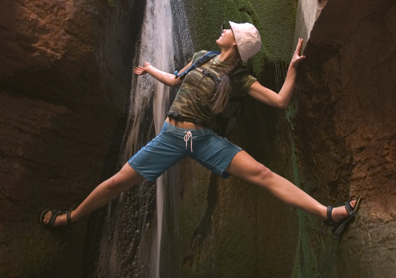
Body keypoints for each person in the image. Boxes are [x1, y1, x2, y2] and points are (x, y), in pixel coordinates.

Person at [40, 22, 360, 236]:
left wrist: (291, 70)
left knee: (263, 173)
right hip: (171, 136)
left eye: (228, 29)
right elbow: (175, 80)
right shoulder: (201, 56)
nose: (222, 30)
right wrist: (151, 69)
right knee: (116, 182)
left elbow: (279, 101)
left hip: (201, 139)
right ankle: (69, 219)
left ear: (236, 42)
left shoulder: (238, 77)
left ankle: (326, 213)